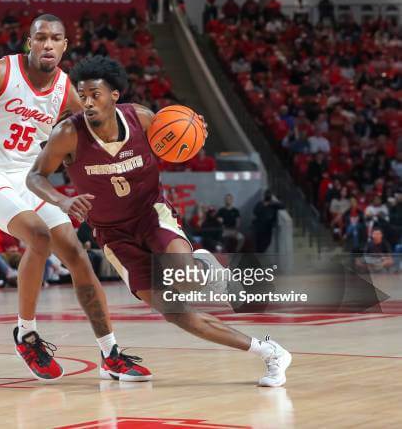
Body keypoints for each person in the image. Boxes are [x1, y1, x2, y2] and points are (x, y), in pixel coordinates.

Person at [26, 55, 292, 387]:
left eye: (95, 94)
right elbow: (35, 177)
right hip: (113, 236)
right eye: (83, 95)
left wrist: (196, 131)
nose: (88, 102)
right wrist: (63, 200)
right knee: (178, 314)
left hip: (151, 215)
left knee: (187, 277)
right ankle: (270, 352)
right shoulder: (68, 133)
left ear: (114, 96)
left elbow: (181, 137)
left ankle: (204, 266)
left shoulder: (141, 118)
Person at [0, 14, 142, 381]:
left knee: (76, 254)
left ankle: (110, 352)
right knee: (38, 235)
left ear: (65, 46)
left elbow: (92, 132)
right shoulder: (1, 72)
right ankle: (26, 333)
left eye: (56, 38)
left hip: (27, 176)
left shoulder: (67, 89)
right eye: (41, 38)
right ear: (30, 42)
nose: (48, 45)